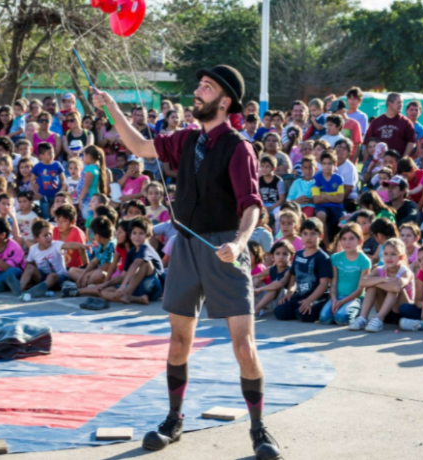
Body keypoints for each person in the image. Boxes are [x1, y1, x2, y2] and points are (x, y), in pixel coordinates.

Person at [92, 64, 282, 458]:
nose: (198, 91)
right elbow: (140, 147)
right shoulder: (185, 139)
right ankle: (174, 420)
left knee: (244, 347)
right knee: (179, 342)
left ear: (225, 101)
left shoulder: (238, 147)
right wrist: (111, 107)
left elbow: (251, 207)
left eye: (207, 87)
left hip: (224, 249)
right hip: (186, 248)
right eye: (199, 85)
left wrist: (240, 242)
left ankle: (260, 431)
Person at [352, 238, 415, 332]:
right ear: (382, 255)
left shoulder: (405, 272)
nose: (389, 257)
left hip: (402, 313)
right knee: (372, 285)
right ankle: (363, 318)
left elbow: (397, 287)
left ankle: (378, 318)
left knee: (392, 287)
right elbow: (361, 282)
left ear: (401, 257)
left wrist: (376, 282)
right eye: (386, 254)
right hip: (386, 312)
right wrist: (381, 279)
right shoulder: (379, 269)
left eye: (393, 254)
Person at [321, 223, 371, 325]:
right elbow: (333, 282)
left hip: (354, 298)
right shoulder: (335, 258)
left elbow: (360, 290)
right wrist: (334, 299)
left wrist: (342, 302)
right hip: (337, 296)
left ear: (360, 241)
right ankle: (339, 309)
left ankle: (358, 313)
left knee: (341, 318)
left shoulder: (365, 261)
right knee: (324, 318)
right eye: (343, 238)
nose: (347, 242)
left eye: (351, 238)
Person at [363, 93, 415, 157]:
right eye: (398, 102)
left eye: (402, 102)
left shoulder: (406, 122)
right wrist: (366, 162)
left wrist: (404, 160)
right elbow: (367, 143)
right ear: (389, 104)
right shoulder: (375, 122)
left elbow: (411, 142)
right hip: (378, 164)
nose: (401, 105)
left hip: (397, 163)